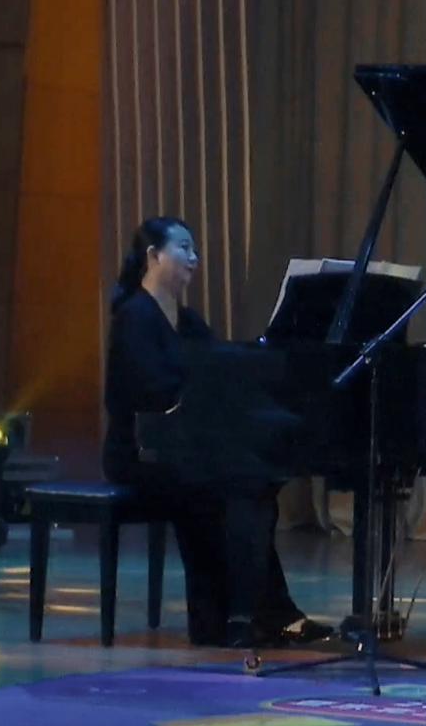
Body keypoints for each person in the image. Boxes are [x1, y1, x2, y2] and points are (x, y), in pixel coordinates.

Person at [103, 216, 333, 648]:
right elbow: (149, 391)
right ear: (153, 256)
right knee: (227, 489)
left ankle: (253, 614)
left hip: (186, 446)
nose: (194, 258)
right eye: (184, 248)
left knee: (254, 485)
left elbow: (219, 371)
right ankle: (234, 618)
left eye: (195, 250)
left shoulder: (188, 321)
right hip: (138, 453)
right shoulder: (134, 317)